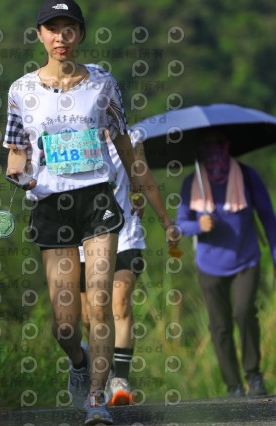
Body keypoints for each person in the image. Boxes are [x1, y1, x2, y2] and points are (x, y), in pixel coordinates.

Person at [3, 1, 144, 424]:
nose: (60, 37)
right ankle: (78, 362)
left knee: (99, 303)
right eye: (52, 29)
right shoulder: (20, 90)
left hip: (96, 201)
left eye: (69, 29)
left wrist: (138, 185)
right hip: (51, 205)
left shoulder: (103, 83)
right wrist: (18, 175)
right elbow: (16, 152)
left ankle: (97, 399)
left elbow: (122, 138)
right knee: (65, 324)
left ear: (80, 35)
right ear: (40, 35)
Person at [175, 128, 276, 398]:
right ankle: (233, 385)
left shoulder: (247, 176)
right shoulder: (192, 183)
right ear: (200, 151)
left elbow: (268, 217)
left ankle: (254, 375)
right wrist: (198, 225)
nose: (214, 150)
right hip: (209, 266)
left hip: (246, 260)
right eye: (207, 145)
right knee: (219, 325)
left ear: (228, 145)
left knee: (244, 312)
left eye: (219, 143)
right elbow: (178, 226)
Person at [78, 126, 180, 406]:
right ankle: (105, 371)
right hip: (84, 240)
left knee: (120, 304)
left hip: (124, 235)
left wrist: (167, 223)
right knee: (89, 316)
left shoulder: (131, 138)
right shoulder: (74, 137)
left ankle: (120, 380)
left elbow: (145, 179)